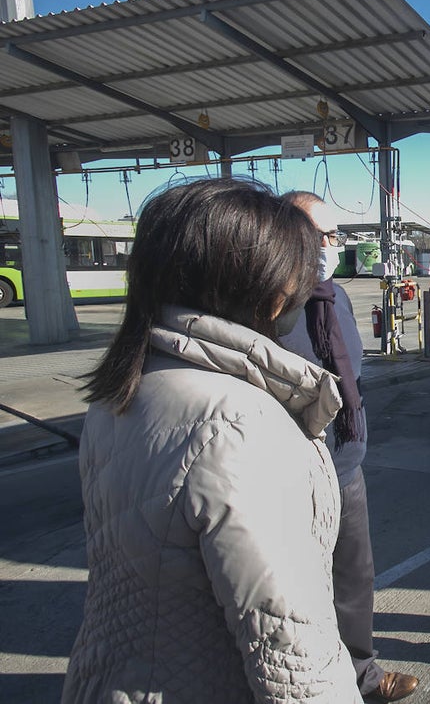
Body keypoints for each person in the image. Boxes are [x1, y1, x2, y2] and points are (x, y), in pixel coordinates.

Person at [62, 178, 361, 703]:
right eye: (299, 268)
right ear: (267, 292)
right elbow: (291, 653)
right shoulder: (240, 424)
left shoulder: (128, 382)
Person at [278, 191, 420, 703]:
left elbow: (349, 371)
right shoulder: (263, 301)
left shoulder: (334, 295)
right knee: (288, 588)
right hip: (288, 471)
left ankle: (362, 672)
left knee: (355, 576)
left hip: (345, 464)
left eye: (334, 235)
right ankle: (298, 684)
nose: (331, 245)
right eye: (321, 235)